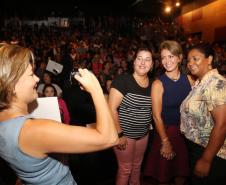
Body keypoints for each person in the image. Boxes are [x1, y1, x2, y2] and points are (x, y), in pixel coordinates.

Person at [0, 44, 118, 185]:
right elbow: (109, 138)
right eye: (31, 74)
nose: (37, 79)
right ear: (13, 84)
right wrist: (96, 89)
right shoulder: (34, 130)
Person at [144, 40, 194, 185]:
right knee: (164, 175)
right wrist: (165, 141)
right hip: (166, 132)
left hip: (186, 134)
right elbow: (156, 116)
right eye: (164, 57)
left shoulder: (190, 80)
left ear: (179, 58)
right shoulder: (158, 83)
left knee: (181, 172)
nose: (166, 61)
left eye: (171, 56)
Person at [180, 43, 226, 185]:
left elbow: (222, 124)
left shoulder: (217, 83)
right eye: (188, 60)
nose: (190, 63)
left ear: (209, 59)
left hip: (212, 153)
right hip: (197, 149)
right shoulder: (201, 83)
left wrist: (206, 159)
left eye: (195, 58)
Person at [108, 48, 153, 185]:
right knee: (125, 169)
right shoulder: (123, 80)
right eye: (139, 58)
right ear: (134, 62)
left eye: (147, 59)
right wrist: (119, 134)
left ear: (152, 65)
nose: (143, 62)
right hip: (124, 135)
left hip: (143, 135)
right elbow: (111, 109)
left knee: (137, 167)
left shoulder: (153, 84)